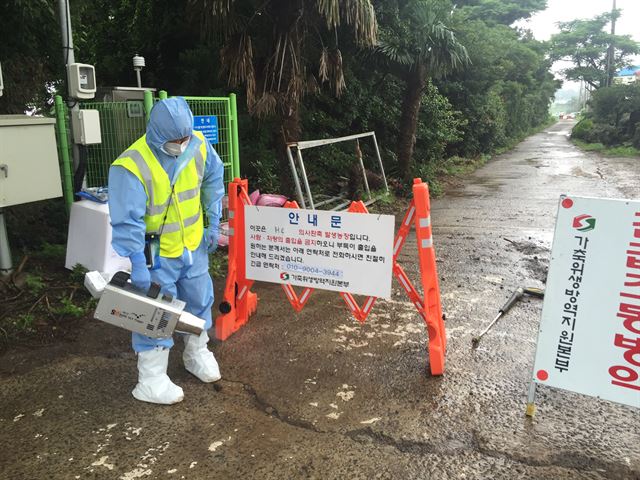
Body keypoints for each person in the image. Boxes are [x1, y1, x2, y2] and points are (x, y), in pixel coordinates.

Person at [108, 97, 225, 405]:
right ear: (157, 133)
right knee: (156, 314)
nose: (181, 144)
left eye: (185, 137)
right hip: (155, 255)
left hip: (193, 246)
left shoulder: (197, 144)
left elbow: (214, 178)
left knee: (200, 301)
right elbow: (126, 222)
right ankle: (151, 378)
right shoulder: (132, 164)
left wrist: (214, 221)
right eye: (175, 140)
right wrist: (137, 263)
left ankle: (196, 353)